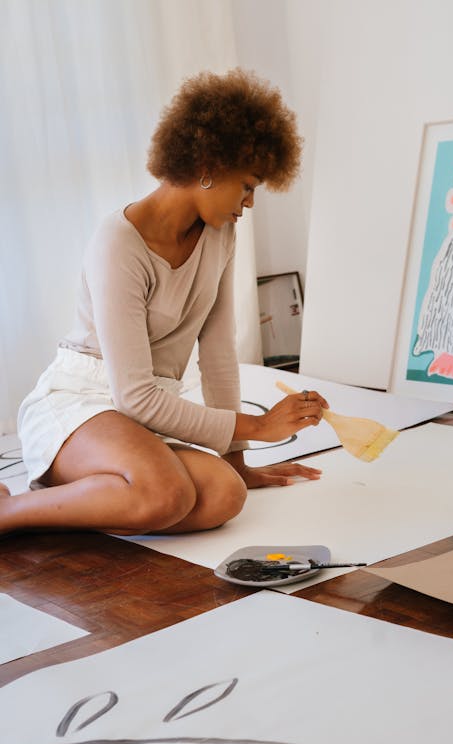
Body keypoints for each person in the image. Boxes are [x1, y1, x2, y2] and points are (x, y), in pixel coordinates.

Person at [0, 68, 328, 537]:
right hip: (83, 403)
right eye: (249, 185)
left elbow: (217, 354)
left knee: (225, 493)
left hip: (145, 413)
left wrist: (238, 460)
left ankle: (109, 490)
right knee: (167, 494)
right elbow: (132, 394)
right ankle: (8, 513)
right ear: (209, 167)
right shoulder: (118, 242)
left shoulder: (221, 233)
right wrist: (259, 426)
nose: (250, 202)